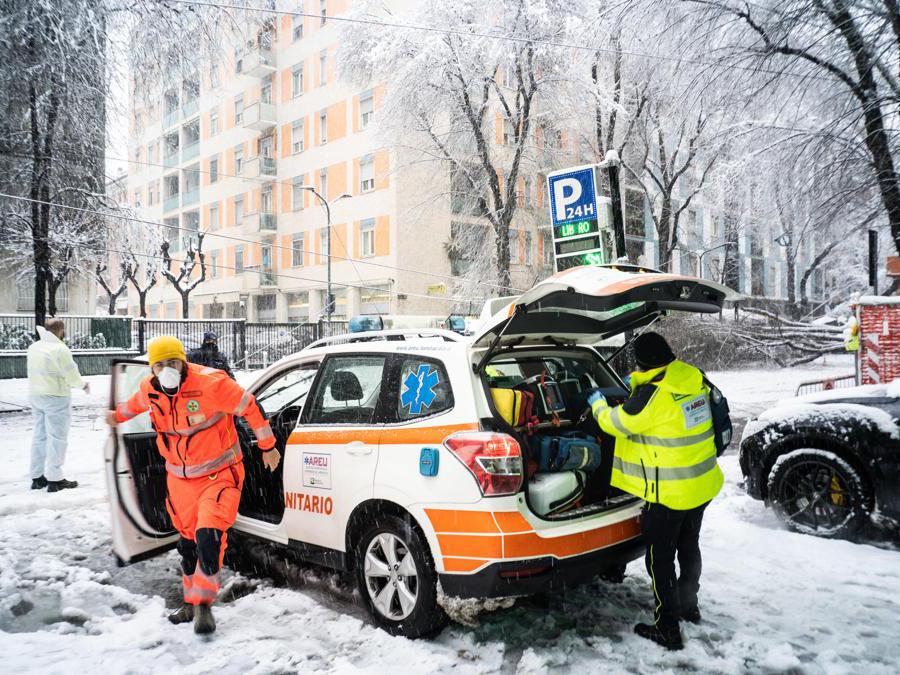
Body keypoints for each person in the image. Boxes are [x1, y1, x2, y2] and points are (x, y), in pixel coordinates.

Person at [106, 336, 280, 635]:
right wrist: (116, 417)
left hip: (220, 474)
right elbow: (134, 405)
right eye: (159, 365)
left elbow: (249, 407)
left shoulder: (212, 384)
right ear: (152, 368)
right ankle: (190, 602)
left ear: (182, 361)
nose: (166, 370)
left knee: (208, 537)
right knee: (187, 545)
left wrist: (268, 446)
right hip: (180, 482)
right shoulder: (150, 389)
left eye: (172, 363)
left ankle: (203, 604)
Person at [586, 332, 723, 651]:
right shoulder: (690, 377)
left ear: (642, 363)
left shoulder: (653, 396)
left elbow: (617, 423)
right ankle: (689, 606)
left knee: (660, 559)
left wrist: (597, 406)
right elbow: (660, 401)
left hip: (670, 493)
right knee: (689, 547)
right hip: (700, 483)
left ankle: (667, 628)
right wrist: (637, 383)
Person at [27, 318, 89, 492]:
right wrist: (82, 385)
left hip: (36, 396)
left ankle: (37, 477)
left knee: (40, 436)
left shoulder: (34, 347)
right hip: (56, 397)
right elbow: (71, 375)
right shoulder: (60, 349)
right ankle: (55, 479)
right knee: (57, 438)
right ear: (61, 330)